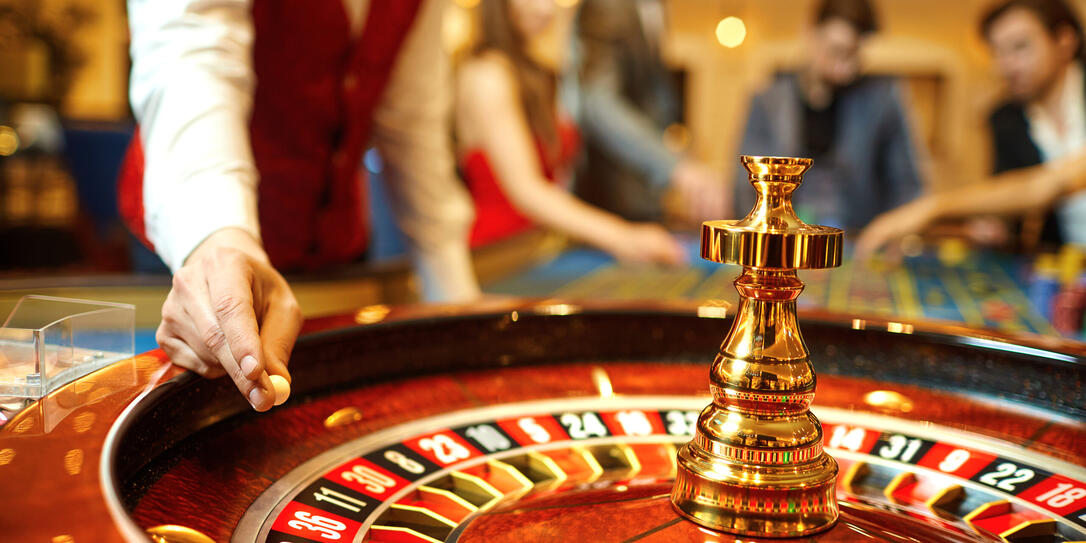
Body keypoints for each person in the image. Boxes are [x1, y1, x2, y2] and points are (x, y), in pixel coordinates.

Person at [119, 0, 481, 411]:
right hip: (192, 234)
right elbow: (190, 56)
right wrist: (218, 239)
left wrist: (457, 304)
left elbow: (412, 116)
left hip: (335, 247)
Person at [455, 0, 685, 266]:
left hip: (538, 248)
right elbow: (527, 190)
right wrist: (624, 236)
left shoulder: (534, 74)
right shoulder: (486, 75)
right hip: (497, 256)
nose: (546, 9)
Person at [856, 0, 1086, 256]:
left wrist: (932, 208)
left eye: (1020, 47)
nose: (1005, 65)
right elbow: (1008, 198)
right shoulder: (1005, 118)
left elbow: (1046, 186)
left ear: (1065, 41)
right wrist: (994, 224)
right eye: (998, 52)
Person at [734, 0, 924, 232]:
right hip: (784, 241)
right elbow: (745, 185)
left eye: (854, 55)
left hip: (855, 242)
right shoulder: (767, 100)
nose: (846, 70)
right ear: (810, 33)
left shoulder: (882, 101)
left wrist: (895, 229)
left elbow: (907, 183)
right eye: (836, 51)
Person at [567, 0, 727, 223]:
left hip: (642, 197)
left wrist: (683, 155)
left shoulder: (655, 9)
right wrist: (676, 167)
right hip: (609, 197)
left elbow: (656, 98)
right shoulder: (607, 5)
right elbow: (598, 104)